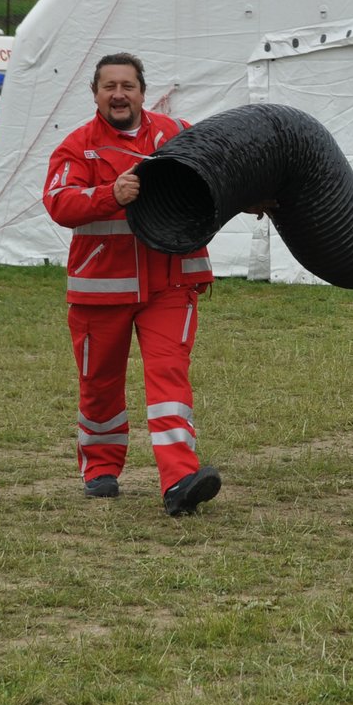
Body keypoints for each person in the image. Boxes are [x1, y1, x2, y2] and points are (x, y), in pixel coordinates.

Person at [43, 52, 222, 516]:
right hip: (102, 290)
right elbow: (59, 203)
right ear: (95, 94)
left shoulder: (178, 134)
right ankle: (100, 468)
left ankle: (180, 479)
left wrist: (254, 197)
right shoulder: (76, 147)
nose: (119, 94)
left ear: (144, 91)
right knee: (100, 384)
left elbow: (219, 177)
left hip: (171, 283)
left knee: (169, 378)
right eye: (109, 87)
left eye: (128, 86)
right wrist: (110, 195)